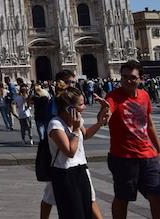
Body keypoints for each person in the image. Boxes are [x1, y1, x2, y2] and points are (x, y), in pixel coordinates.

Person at [105, 59, 160, 219]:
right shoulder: (113, 97)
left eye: (132, 77)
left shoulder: (144, 96)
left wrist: (158, 148)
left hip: (148, 156)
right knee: (123, 198)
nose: (128, 81)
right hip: (123, 157)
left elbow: (149, 125)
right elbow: (107, 110)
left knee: (156, 196)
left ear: (141, 78)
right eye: (124, 77)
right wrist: (105, 114)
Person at [48, 86, 108, 219]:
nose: (84, 107)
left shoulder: (77, 120)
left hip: (81, 169)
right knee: (73, 213)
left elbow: (85, 135)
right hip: (65, 173)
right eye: (81, 104)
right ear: (69, 108)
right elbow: (70, 151)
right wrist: (75, 130)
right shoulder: (56, 125)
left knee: (86, 211)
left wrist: (99, 123)